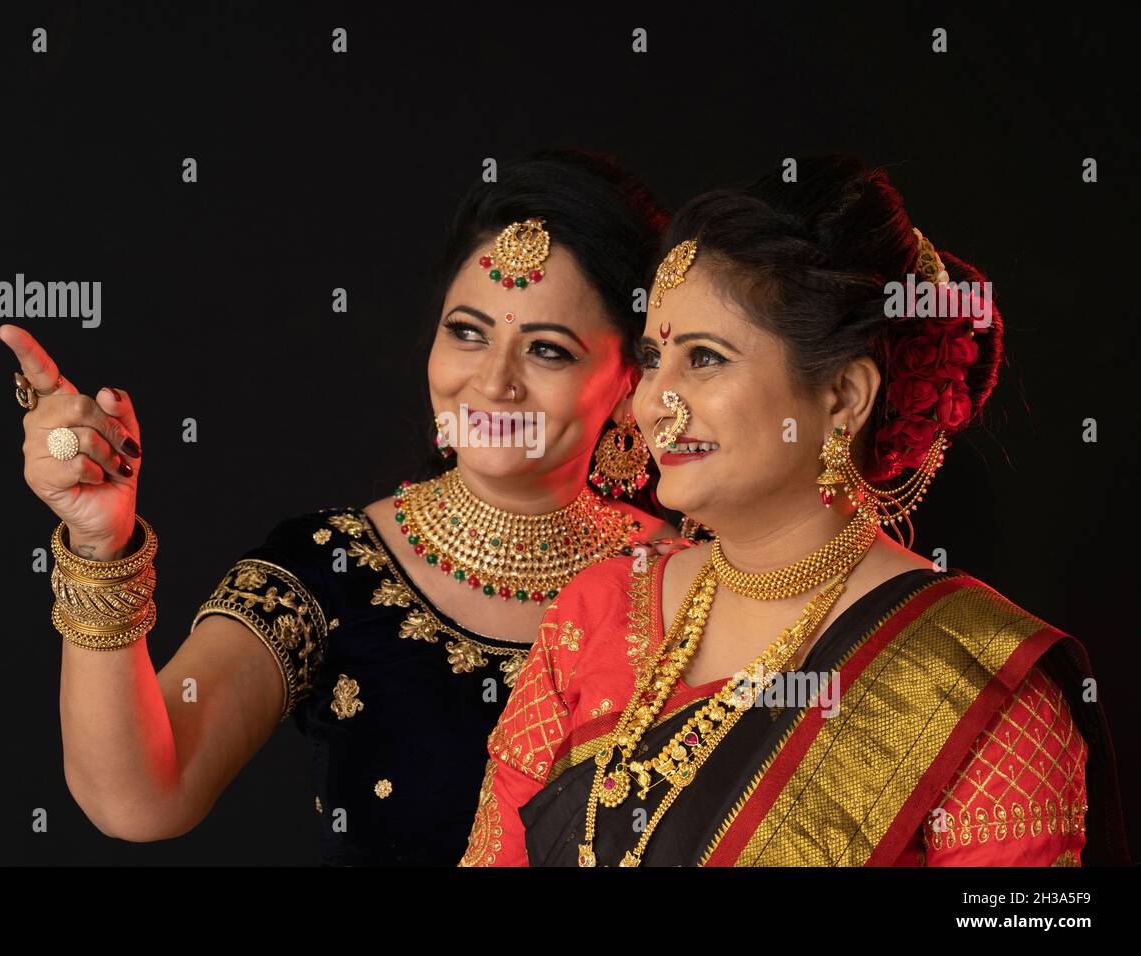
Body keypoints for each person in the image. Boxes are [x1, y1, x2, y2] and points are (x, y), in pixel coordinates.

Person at [0, 149, 686, 865]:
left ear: (632, 376)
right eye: (468, 332)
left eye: (546, 349)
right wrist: (101, 549)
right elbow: (138, 798)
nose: (492, 381)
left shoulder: (695, 581)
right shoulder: (329, 568)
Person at [461, 155, 1131, 867]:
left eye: (707, 359)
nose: (655, 401)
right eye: (655, 357)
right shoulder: (594, 614)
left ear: (844, 396)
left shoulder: (979, 684)